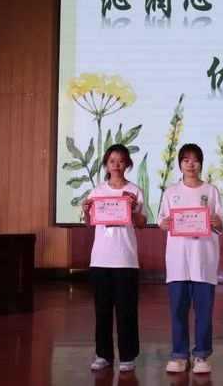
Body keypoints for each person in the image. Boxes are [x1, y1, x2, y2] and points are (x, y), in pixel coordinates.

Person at [158, 144, 223, 375]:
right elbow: (162, 220)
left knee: (204, 311)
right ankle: (179, 355)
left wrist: (218, 222)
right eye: (186, 160)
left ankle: (202, 355)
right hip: (178, 260)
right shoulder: (171, 192)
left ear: (201, 164)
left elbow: (220, 220)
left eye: (195, 160)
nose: (190, 164)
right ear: (180, 164)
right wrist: (164, 224)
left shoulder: (211, 191)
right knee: (178, 309)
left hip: (204, 259)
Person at [81, 144, 147, 372]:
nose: (116, 165)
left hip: (126, 259)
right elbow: (89, 223)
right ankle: (103, 355)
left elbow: (141, 223)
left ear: (127, 163)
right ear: (106, 164)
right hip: (100, 259)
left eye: (120, 161)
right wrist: (85, 211)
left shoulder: (135, 191)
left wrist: (133, 210)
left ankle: (128, 356)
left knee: (126, 310)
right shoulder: (97, 191)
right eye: (112, 161)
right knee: (102, 310)